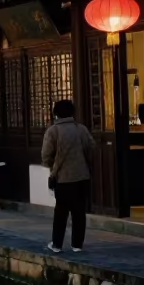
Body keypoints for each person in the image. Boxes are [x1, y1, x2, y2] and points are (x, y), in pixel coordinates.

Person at [42, 99, 94, 254]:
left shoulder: (53, 131)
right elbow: (92, 148)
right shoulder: (81, 129)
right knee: (79, 212)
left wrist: (54, 166)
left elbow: (46, 156)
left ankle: (57, 244)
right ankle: (77, 245)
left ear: (56, 113)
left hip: (63, 179)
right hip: (81, 177)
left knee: (61, 212)